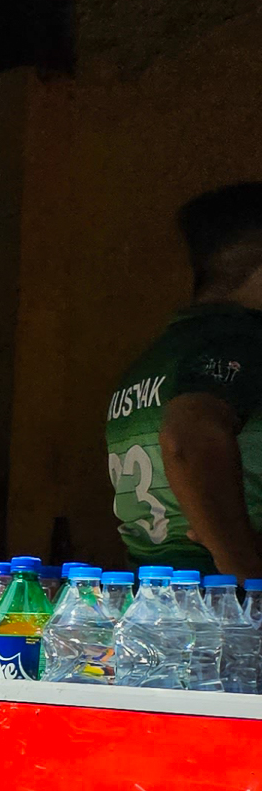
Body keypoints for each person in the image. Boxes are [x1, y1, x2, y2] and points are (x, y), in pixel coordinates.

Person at [107, 181, 262, 579]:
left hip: (160, 605)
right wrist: (249, 582)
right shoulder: (238, 342)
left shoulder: (155, 360)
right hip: (228, 616)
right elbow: (188, 440)